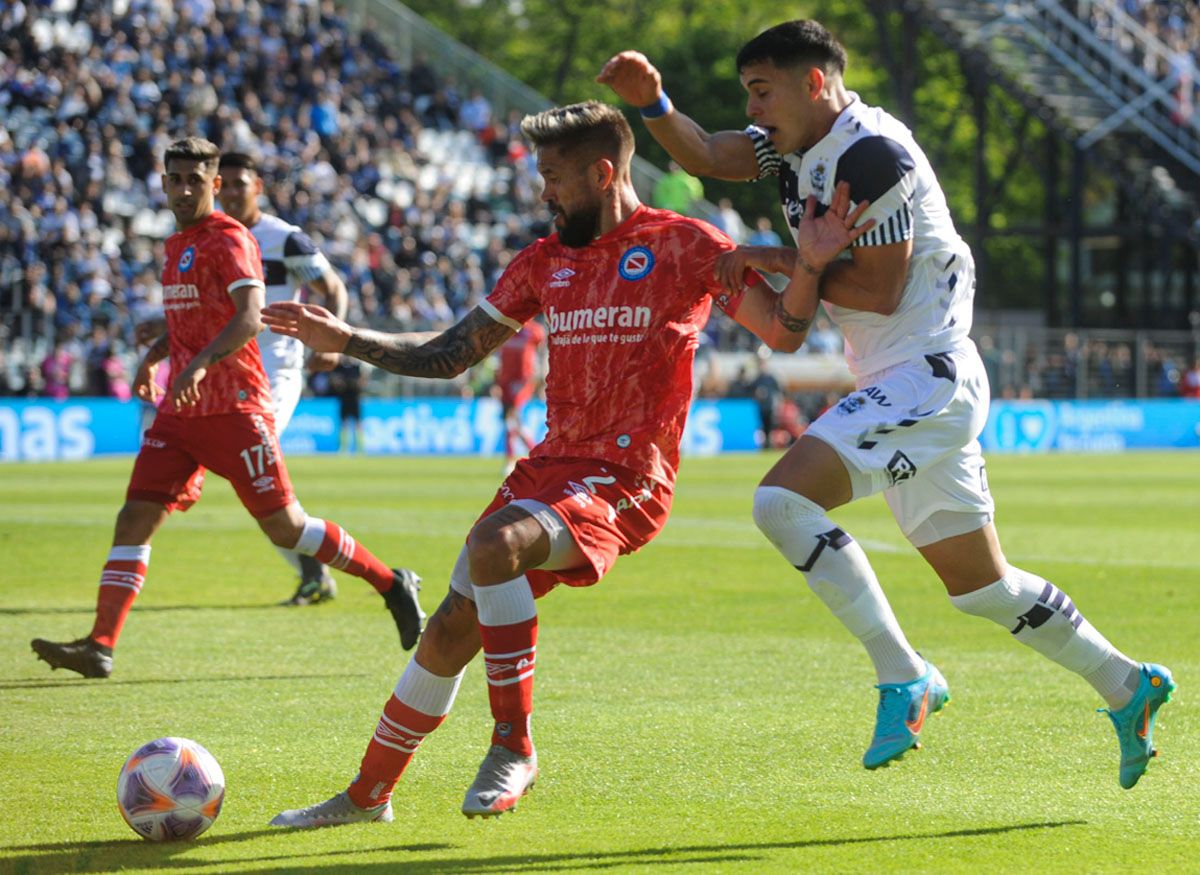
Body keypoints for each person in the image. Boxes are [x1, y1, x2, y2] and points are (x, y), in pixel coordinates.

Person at [262, 100, 872, 827]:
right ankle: (366, 796)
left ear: (603, 172)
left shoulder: (682, 244)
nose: (543, 193)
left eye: (553, 178)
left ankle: (513, 745)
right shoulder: (542, 260)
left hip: (624, 480)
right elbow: (450, 354)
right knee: (452, 626)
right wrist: (347, 336)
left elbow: (783, 331)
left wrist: (805, 263)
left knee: (495, 549)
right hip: (546, 473)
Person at [599, 20, 1174, 788]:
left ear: (814, 83)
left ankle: (905, 675)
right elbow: (710, 154)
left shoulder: (870, 155)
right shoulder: (800, 144)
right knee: (984, 589)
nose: (753, 108)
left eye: (761, 90)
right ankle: (1129, 685)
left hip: (924, 377)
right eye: (747, 93)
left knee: (780, 503)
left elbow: (879, 288)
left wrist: (784, 259)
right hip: (905, 379)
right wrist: (655, 102)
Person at [29, 137, 425, 681]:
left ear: (214, 185)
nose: (186, 187)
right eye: (177, 178)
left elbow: (249, 316)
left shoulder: (231, 238)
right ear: (164, 183)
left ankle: (390, 581)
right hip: (182, 413)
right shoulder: (175, 246)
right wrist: (155, 356)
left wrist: (195, 366)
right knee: (135, 517)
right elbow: (192, 322)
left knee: (286, 529)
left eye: (198, 179)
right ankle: (101, 644)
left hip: (237, 408)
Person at [493, 317, 546, 473]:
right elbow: (497, 356)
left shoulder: (535, 331)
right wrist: (495, 381)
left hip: (523, 380)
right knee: (512, 422)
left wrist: (542, 378)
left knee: (512, 418)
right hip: (505, 381)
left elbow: (542, 354)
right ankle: (537, 455)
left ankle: (511, 460)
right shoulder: (504, 328)